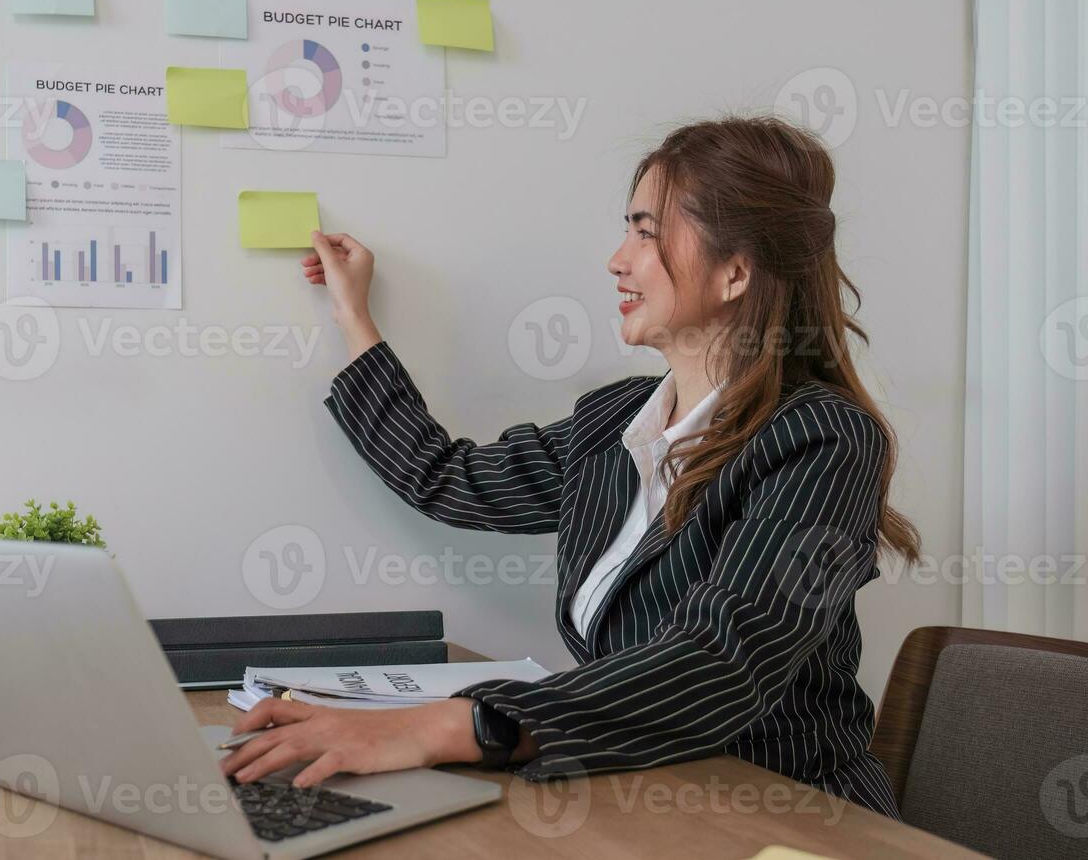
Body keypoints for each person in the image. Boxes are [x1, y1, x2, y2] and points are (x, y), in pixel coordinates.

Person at [217, 116, 920, 819]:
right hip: (643, 796)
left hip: (786, 814)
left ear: (735, 270)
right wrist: (353, 317)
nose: (619, 259)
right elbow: (448, 478)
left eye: (647, 233)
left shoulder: (824, 441)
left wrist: (442, 725)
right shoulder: (614, 423)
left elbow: (721, 660)